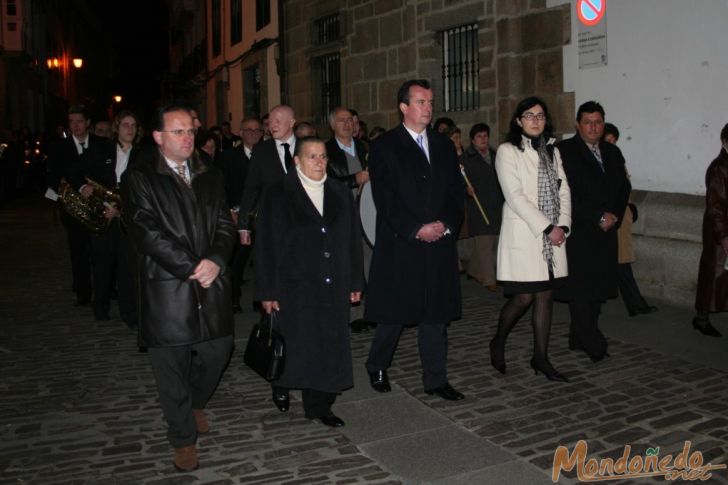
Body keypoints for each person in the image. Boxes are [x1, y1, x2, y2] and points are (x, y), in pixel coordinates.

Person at [121, 105, 235, 472]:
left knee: (219, 350)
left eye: (190, 131)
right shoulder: (140, 177)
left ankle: (194, 402)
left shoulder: (210, 173)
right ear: (158, 137)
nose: (188, 138)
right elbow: (145, 232)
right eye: (178, 132)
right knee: (170, 365)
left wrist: (216, 257)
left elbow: (224, 223)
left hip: (211, 280)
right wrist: (190, 267)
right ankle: (182, 439)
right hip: (167, 285)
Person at [364, 79, 465, 401]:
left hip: (439, 243)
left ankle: (436, 379)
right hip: (402, 243)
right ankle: (377, 364)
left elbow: (455, 192)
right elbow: (386, 198)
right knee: (395, 313)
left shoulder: (443, 145)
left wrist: (446, 224)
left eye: (431, 102)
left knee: (435, 315)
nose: (428, 108)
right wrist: (415, 228)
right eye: (421, 102)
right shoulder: (384, 147)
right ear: (404, 107)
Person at [254, 137, 363, 426]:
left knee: (328, 344)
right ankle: (281, 383)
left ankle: (320, 405)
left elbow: (352, 240)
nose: (319, 162)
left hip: (333, 281)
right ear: (297, 161)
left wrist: (355, 281)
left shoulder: (339, 191)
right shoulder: (278, 194)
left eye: (323, 156)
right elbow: (265, 244)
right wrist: (267, 290)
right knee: (296, 343)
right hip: (294, 284)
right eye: (311, 156)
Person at [490, 97, 571, 382]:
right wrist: (548, 227)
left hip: (553, 237)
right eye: (529, 115)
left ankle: (540, 357)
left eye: (540, 115)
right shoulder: (507, 151)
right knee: (524, 296)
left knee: (545, 297)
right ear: (518, 120)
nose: (535, 120)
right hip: (526, 234)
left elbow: (564, 191)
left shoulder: (553, 150)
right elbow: (515, 196)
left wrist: (564, 226)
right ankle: (498, 340)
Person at [557, 101, 631, 362]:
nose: (593, 127)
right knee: (580, 290)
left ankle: (577, 336)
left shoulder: (613, 152)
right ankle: (593, 342)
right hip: (580, 231)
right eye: (587, 122)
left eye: (598, 122)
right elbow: (566, 193)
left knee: (598, 290)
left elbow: (623, 188)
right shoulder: (564, 151)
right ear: (578, 124)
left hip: (606, 231)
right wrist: (597, 215)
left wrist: (615, 215)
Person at [47, 105, 115, 310]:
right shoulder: (60, 147)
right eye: (71, 122)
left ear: (87, 123)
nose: (75, 126)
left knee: (102, 252)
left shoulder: (102, 144)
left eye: (79, 121)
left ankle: (105, 289)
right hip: (73, 210)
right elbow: (53, 176)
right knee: (78, 252)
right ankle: (83, 292)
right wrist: (59, 198)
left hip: (97, 207)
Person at [603, 123, 658, 317]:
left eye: (614, 141)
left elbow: (624, 187)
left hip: (622, 218)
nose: (612, 144)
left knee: (620, 263)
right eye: (608, 140)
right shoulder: (600, 163)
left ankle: (634, 304)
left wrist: (631, 204)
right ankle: (635, 304)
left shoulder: (615, 160)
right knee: (619, 263)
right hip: (611, 219)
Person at [325, 107, 371, 331]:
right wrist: (354, 179)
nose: (347, 124)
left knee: (369, 260)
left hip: (367, 214)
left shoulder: (363, 148)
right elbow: (325, 183)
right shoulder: (326, 151)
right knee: (349, 263)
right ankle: (354, 315)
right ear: (333, 125)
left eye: (350, 120)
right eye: (342, 120)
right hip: (342, 216)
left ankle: (371, 309)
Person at [220, 118, 264, 313]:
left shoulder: (269, 154)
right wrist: (230, 210)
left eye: (257, 130)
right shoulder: (228, 157)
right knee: (238, 261)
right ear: (240, 132)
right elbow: (222, 187)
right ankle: (234, 298)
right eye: (249, 130)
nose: (254, 133)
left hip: (263, 216)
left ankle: (261, 298)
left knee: (264, 260)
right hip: (239, 216)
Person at [238, 105, 297, 246]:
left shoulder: (307, 147)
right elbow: (251, 188)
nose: (272, 125)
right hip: (271, 223)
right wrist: (243, 226)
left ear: (292, 122)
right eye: (270, 121)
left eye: (277, 121)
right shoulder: (261, 151)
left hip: (304, 222)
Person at [692, 122, 728, 337]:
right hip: (720, 232)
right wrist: (723, 235)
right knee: (713, 275)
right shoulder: (719, 168)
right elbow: (715, 206)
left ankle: (702, 316)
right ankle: (701, 317)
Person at [460, 123, 504, 291]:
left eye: (485, 136)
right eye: (479, 136)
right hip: (478, 207)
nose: (483, 139)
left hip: (495, 204)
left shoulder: (496, 155)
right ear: (472, 140)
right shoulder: (465, 159)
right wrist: (466, 189)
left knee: (493, 241)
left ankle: (474, 270)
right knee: (485, 243)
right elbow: (457, 182)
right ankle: (489, 280)